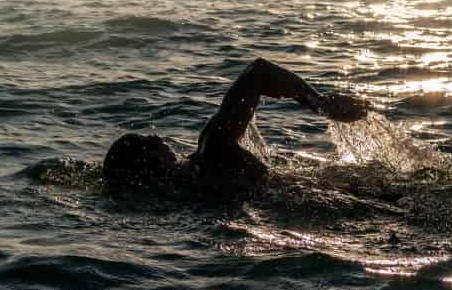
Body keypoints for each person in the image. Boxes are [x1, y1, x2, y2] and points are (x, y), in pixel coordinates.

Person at [103, 57, 368, 199]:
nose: (156, 136)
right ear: (152, 163)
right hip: (336, 198)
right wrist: (320, 104)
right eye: (149, 142)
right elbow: (258, 72)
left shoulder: (181, 197)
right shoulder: (213, 150)